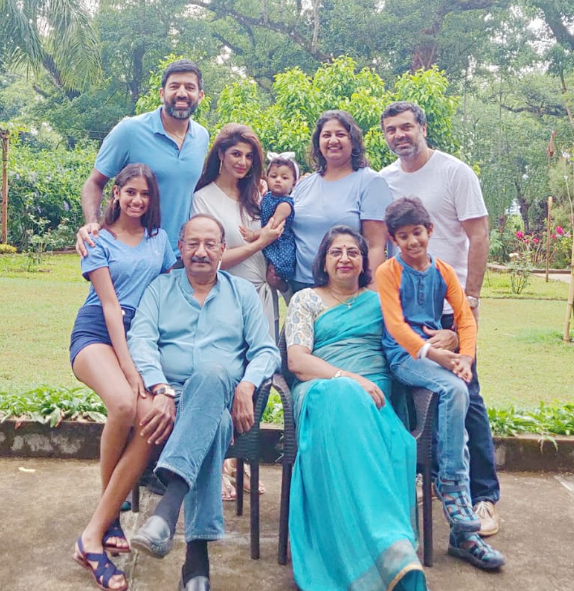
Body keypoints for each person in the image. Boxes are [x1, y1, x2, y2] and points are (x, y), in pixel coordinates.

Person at [128, 214, 280, 591]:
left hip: (225, 392)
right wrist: (160, 388)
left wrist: (246, 385)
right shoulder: (159, 289)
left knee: (212, 374)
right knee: (215, 424)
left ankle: (167, 510)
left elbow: (265, 351)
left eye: (210, 244)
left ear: (222, 250)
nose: (201, 252)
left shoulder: (242, 293)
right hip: (173, 398)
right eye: (193, 243)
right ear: (180, 248)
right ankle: (197, 563)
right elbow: (141, 341)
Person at [380, 101, 501, 537]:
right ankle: (426, 476)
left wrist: (470, 301)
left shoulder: (455, 172)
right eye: (391, 130)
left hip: (451, 300)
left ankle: (482, 496)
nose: (400, 135)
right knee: (414, 392)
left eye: (407, 126)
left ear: (423, 127)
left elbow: (478, 233)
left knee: (466, 393)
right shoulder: (385, 180)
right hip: (404, 308)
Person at [286, 225, 428, 591]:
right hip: (320, 391)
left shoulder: (381, 301)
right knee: (341, 395)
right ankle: (387, 549)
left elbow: (415, 338)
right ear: (324, 261)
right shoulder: (305, 300)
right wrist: (349, 378)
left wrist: (450, 336)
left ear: (365, 261)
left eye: (353, 251)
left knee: (383, 432)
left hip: (375, 401)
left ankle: (386, 553)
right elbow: (298, 361)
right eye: (336, 252)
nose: (345, 258)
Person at [377, 197, 505, 570]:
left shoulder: (444, 271)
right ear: (393, 240)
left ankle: (462, 528)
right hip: (406, 357)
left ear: (429, 230)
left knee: (458, 399)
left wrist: (465, 356)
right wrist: (437, 357)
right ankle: (451, 490)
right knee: (454, 389)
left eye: (418, 232)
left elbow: (465, 317)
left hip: (440, 353)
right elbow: (397, 327)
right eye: (403, 236)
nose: (413, 241)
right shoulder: (389, 272)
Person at [71, 164, 176, 591]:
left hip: (143, 335)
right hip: (98, 330)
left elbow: (172, 286)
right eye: (129, 192)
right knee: (123, 403)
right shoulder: (98, 239)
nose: (136, 201)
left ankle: (98, 524)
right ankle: (106, 521)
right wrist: (131, 368)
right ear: (116, 193)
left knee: (153, 419)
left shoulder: (160, 240)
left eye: (144, 195)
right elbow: (112, 308)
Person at [76, 59, 209, 259]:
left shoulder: (202, 137)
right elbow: (95, 182)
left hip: (181, 256)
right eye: (174, 86)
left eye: (189, 87)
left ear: (200, 96)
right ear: (162, 93)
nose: (182, 93)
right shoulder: (129, 131)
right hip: (132, 253)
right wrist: (91, 222)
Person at [191, 123, 286, 340]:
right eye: (236, 154)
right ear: (221, 154)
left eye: (249, 156)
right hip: (228, 299)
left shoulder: (259, 194)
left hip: (266, 295)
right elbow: (213, 260)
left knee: (265, 365)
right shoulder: (203, 199)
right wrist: (260, 242)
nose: (243, 162)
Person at [290, 110, 392, 291]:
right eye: (326, 135)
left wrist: (369, 294)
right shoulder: (304, 184)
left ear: (353, 141)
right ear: (318, 143)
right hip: (300, 287)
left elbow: (376, 246)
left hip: (347, 288)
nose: (333, 140)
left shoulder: (370, 182)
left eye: (341, 134)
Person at [240, 151, 298, 283]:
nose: (278, 180)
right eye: (273, 176)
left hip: (279, 242)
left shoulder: (285, 204)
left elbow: (272, 226)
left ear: (293, 184)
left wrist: (254, 234)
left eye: (284, 178)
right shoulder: (267, 196)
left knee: (276, 269)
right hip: (268, 240)